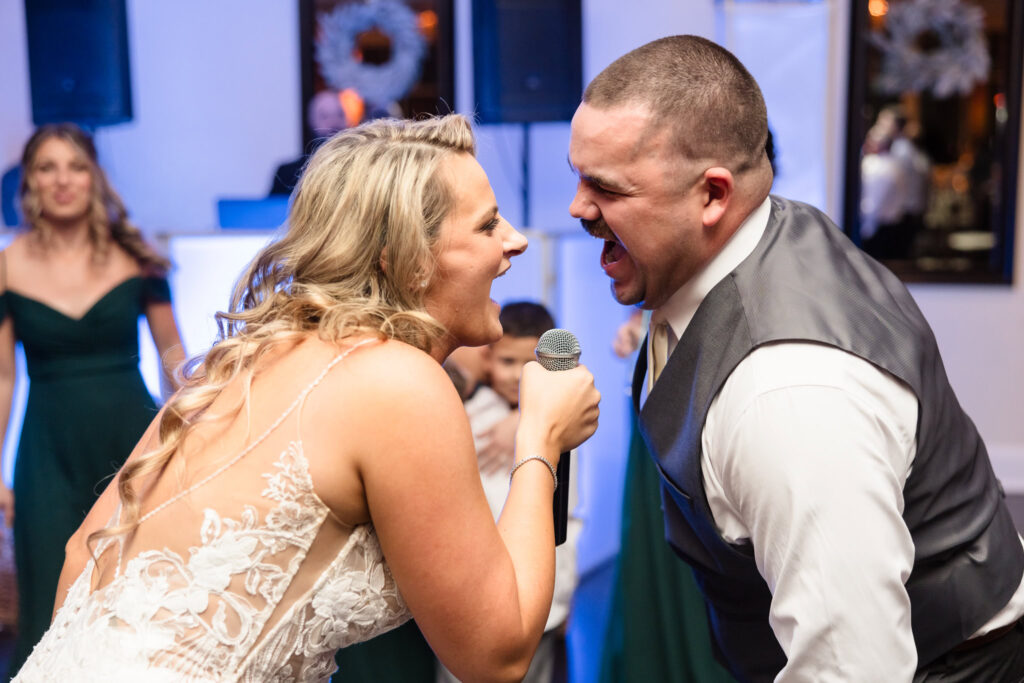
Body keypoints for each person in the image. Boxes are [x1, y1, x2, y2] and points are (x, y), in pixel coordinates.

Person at [14, 114, 600, 682]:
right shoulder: (399, 380)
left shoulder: (245, 358)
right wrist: (541, 437)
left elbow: (82, 560)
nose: (516, 240)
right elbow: (497, 657)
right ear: (408, 259)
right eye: (488, 224)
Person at [567, 35, 1024, 682]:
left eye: (606, 188)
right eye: (577, 175)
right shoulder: (759, 235)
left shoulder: (787, 394)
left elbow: (853, 666)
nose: (577, 207)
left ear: (713, 196)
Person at [0, 123, 186, 676]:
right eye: (47, 167)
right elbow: (4, 378)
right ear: (29, 181)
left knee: (135, 592)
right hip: (46, 454)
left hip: (131, 445)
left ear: (94, 177)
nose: (63, 180)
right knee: (49, 597)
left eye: (76, 166)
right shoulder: (7, 266)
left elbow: (175, 360)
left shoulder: (136, 256)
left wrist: (188, 442)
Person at [439, 301, 581, 683]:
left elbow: (566, 521)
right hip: (473, 596)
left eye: (528, 364)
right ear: (487, 360)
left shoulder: (562, 425)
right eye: (506, 362)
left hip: (541, 594)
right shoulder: (465, 411)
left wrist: (565, 594)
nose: (516, 375)